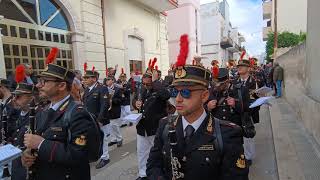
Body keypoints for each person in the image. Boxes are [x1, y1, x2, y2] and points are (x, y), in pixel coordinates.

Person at [146, 37, 249, 179]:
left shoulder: (227, 134)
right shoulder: (165, 125)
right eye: (176, 92)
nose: (178, 99)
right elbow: (153, 165)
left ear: (205, 96)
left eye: (186, 92)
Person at [21, 63, 94, 180]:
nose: (38, 85)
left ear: (61, 85)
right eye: (39, 80)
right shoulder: (42, 110)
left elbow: (80, 155)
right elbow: (37, 142)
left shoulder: (77, 113)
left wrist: (41, 144)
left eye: (44, 81)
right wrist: (28, 154)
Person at [133, 71, 170, 180]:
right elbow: (135, 98)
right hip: (142, 127)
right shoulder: (141, 88)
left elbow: (166, 95)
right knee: (142, 152)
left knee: (158, 153)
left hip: (155, 128)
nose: (145, 86)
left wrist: (155, 82)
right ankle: (143, 174)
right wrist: (135, 103)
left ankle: (159, 174)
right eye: (143, 83)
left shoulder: (158, 88)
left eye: (148, 84)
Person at [82, 69, 110, 169]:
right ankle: (94, 155)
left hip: (100, 120)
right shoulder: (87, 89)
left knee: (103, 138)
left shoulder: (102, 88)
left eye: (86, 78)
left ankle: (105, 158)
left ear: (94, 79)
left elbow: (105, 105)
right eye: (84, 78)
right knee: (92, 138)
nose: (84, 79)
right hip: (89, 119)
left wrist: (100, 120)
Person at [234, 59, 260, 165]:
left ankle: (248, 157)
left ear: (248, 68)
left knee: (248, 135)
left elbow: (255, 100)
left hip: (248, 113)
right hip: (236, 112)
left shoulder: (253, 82)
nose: (239, 67)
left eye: (242, 66)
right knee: (237, 135)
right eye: (238, 66)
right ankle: (239, 154)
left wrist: (260, 98)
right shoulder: (235, 81)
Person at [11, 82, 37, 180]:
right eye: (14, 95)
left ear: (31, 98)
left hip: (28, 164)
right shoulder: (20, 114)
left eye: (18, 96)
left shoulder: (37, 115)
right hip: (16, 163)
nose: (14, 99)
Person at [105, 76, 123, 148]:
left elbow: (120, 100)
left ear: (112, 81)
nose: (107, 81)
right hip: (108, 110)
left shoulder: (117, 89)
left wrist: (112, 100)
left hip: (115, 109)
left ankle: (119, 138)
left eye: (109, 80)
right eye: (106, 80)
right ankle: (113, 139)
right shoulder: (105, 89)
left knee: (114, 125)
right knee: (110, 126)